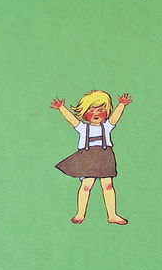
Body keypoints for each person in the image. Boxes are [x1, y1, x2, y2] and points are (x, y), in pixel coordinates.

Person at [51, 89, 132, 224]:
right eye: (91, 110)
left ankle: (112, 215)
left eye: (100, 110)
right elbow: (72, 120)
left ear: (107, 111)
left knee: (108, 186)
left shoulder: (107, 127)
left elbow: (115, 118)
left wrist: (122, 105)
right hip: (88, 159)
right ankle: (80, 213)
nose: (95, 114)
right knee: (86, 186)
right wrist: (61, 108)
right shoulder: (83, 128)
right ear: (84, 113)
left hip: (105, 158)